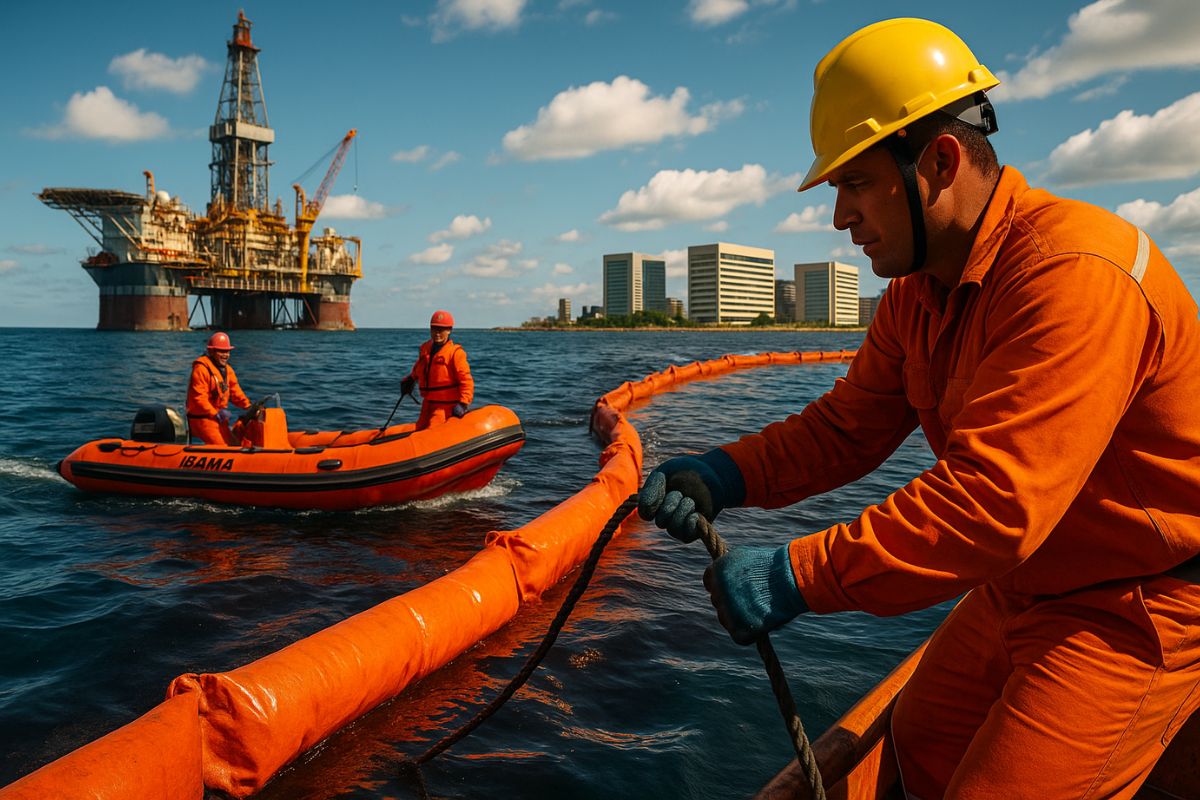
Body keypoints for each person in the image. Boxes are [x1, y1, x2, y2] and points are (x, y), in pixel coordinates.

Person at [638, 17, 1200, 799]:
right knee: (915, 752)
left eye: (856, 183)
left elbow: (993, 504)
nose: (840, 219)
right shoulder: (916, 294)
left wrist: (795, 575)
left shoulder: (1073, 275)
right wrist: (722, 474)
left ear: (939, 160)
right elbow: (846, 428)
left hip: (1138, 605)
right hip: (1018, 586)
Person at [401, 310, 474, 430]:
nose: (437, 333)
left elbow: (466, 380)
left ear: (449, 330)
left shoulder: (455, 354)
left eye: (441, 329)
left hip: (445, 407)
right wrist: (410, 379)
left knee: (431, 434)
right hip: (428, 404)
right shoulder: (425, 349)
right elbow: (420, 368)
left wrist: (463, 403)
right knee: (419, 429)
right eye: (434, 329)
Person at [186, 331, 252, 445]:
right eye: (221, 351)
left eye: (227, 351)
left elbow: (236, 392)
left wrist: (249, 407)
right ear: (211, 351)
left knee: (235, 445)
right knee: (225, 449)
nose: (225, 355)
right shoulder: (201, 369)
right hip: (202, 420)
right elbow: (199, 398)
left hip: (219, 420)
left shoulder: (228, 370)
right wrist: (215, 414)